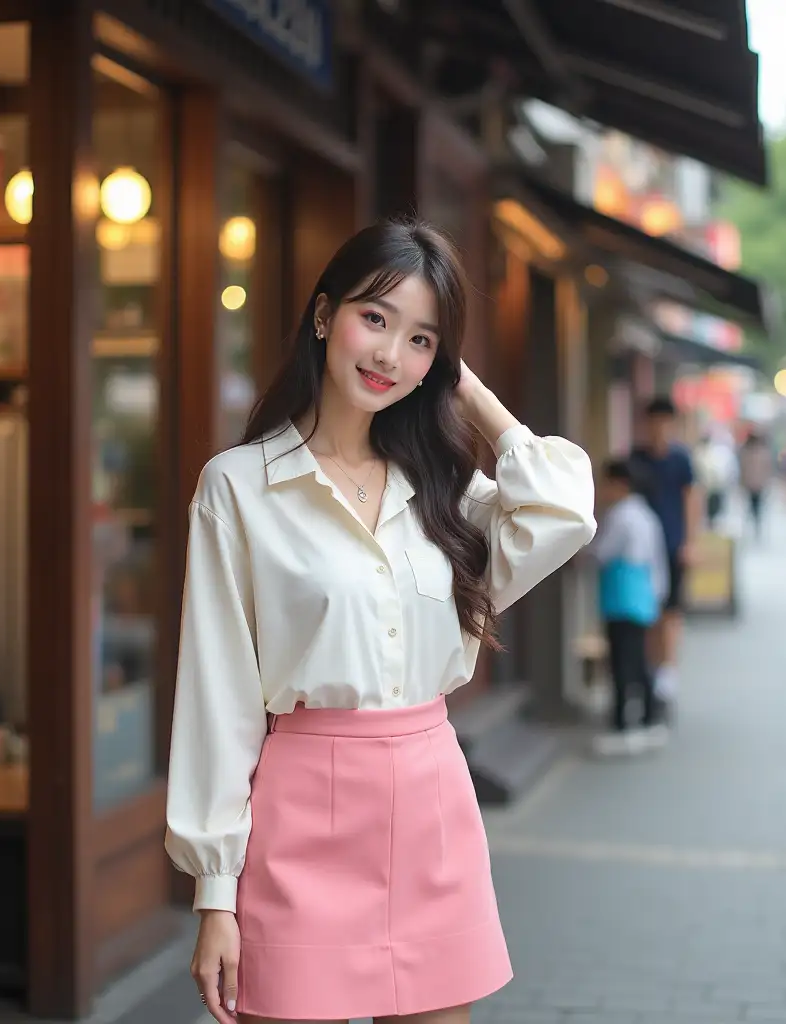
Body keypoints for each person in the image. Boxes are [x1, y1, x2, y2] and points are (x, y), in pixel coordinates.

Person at [164, 219, 597, 1024]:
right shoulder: (239, 488)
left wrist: (471, 393)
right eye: (376, 318)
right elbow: (217, 698)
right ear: (324, 315)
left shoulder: (444, 490)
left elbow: (566, 513)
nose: (390, 355)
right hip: (299, 825)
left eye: (422, 339)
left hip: (431, 808)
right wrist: (214, 896)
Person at [590, 459, 669, 757]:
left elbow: (602, 551)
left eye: (607, 483)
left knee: (623, 664)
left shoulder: (621, 516)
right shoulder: (646, 515)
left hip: (622, 598)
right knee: (638, 661)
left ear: (620, 484)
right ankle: (648, 719)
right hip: (641, 597)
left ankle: (624, 726)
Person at [631, 397, 701, 713]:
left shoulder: (681, 459)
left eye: (664, 421)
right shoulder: (636, 458)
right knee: (648, 612)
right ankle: (650, 669)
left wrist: (690, 541)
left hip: (673, 543)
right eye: (653, 421)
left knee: (671, 611)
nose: (659, 428)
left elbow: (691, 500)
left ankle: (667, 672)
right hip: (642, 549)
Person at [739, 430, 773, 540]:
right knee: (754, 506)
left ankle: (755, 525)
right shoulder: (750, 452)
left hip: (755, 484)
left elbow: (767, 469)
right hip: (754, 484)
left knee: (755, 506)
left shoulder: (750, 452)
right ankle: (754, 525)